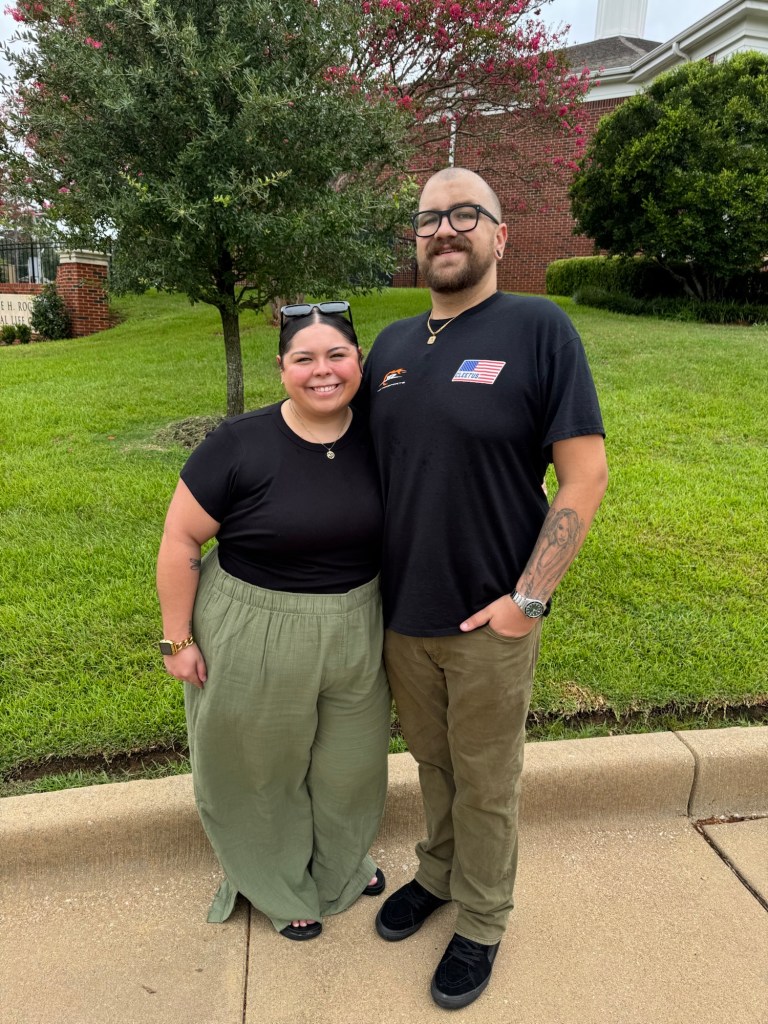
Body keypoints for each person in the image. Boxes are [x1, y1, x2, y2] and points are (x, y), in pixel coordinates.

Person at [359, 168, 608, 1008]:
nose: (444, 229)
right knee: (433, 762)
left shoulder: (539, 328)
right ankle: (439, 872)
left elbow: (584, 476)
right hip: (403, 614)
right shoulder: (391, 347)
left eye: (466, 214)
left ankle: (483, 918)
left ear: (501, 235)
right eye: (429, 217)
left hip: (491, 615)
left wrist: (526, 601)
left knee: (487, 778)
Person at [156, 301, 391, 941]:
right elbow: (180, 539)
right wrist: (177, 639)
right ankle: (276, 883)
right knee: (258, 769)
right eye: (304, 359)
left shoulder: (382, 434)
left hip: (358, 623)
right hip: (256, 625)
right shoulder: (238, 443)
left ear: (360, 362)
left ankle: (340, 866)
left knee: (352, 766)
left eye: (337, 355)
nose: (323, 371)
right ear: (282, 368)